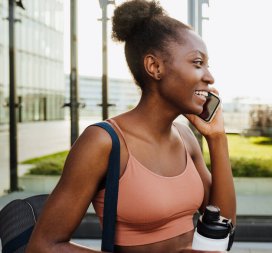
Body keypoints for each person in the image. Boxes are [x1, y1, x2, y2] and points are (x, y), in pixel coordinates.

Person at [26, 0, 236, 252]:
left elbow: (225, 225)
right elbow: (43, 246)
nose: (209, 76)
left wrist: (217, 138)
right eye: (198, 63)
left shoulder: (184, 136)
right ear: (154, 67)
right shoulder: (103, 142)